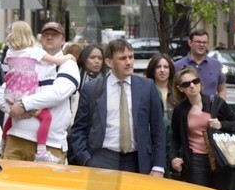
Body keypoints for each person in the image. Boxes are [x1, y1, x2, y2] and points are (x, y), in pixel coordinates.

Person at [69, 36, 166, 175]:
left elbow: (158, 129)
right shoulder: (92, 89)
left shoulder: (147, 87)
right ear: (109, 62)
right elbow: (78, 129)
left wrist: (158, 167)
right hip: (102, 159)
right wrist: (86, 159)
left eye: (131, 57)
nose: (128, 62)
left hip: (138, 161)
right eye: (122, 58)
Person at [0, 19, 79, 165]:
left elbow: (58, 93)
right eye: (46, 34)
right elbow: (5, 88)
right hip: (16, 140)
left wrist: (24, 104)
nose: (49, 37)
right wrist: (10, 109)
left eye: (55, 34)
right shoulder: (26, 57)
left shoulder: (68, 64)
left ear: (63, 40)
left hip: (50, 145)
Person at [169, 69, 235, 190]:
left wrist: (221, 125)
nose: (192, 86)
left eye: (195, 81)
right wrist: (173, 157)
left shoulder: (216, 103)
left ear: (200, 83)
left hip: (219, 158)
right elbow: (175, 138)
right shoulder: (180, 110)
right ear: (180, 88)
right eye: (186, 84)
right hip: (195, 160)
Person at [173, 26, 226, 100]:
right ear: (190, 42)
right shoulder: (177, 66)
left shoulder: (216, 65)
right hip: (186, 110)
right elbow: (172, 90)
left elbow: (222, 89)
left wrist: (219, 106)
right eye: (198, 42)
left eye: (204, 42)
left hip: (210, 110)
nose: (201, 45)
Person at [146, 53, 176, 152]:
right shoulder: (145, 91)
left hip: (174, 143)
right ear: (152, 70)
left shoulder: (178, 91)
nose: (162, 70)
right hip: (151, 142)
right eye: (158, 67)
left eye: (166, 67)